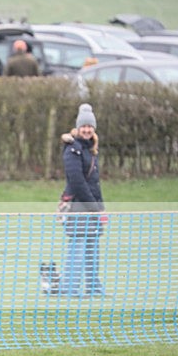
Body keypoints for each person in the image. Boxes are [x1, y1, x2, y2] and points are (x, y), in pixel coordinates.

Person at [58, 104, 106, 297]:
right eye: (84, 126)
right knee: (77, 247)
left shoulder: (91, 149)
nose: (87, 130)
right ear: (78, 127)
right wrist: (96, 208)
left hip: (93, 208)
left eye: (90, 126)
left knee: (92, 247)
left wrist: (101, 209)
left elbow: (95, 183)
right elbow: (77, 182)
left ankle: (94, 287)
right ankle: (69, 288)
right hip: (78, 208)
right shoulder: (73, 150)